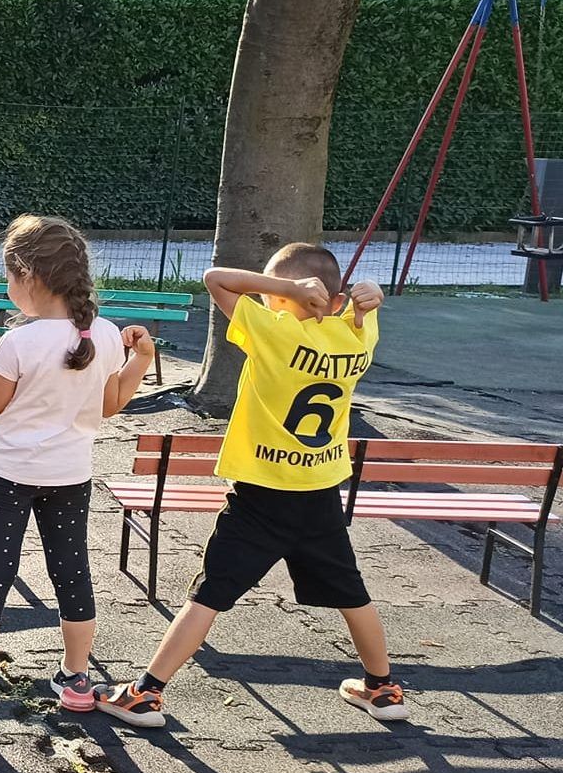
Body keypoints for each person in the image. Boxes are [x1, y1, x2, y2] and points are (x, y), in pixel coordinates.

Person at [97, 244, 401, 728]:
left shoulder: (273, 330)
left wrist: (281, 287)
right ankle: (382, 687)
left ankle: (146, 693)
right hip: (320, 493)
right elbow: (356, 313)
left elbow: (216, 279)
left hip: (261, 493)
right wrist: (365, 301)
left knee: (208, 594)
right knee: (352, 592)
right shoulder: (356, 337)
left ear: (282, 297)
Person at [0, 214, 154, 720]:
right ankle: (76, 678)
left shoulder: (19, 343)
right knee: (72, 571)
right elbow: (111, 404)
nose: (8, 286)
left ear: (28, 275)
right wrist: (140, 360)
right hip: (70, 476)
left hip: (9, 474)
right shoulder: (104, 334)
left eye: (9, 276)